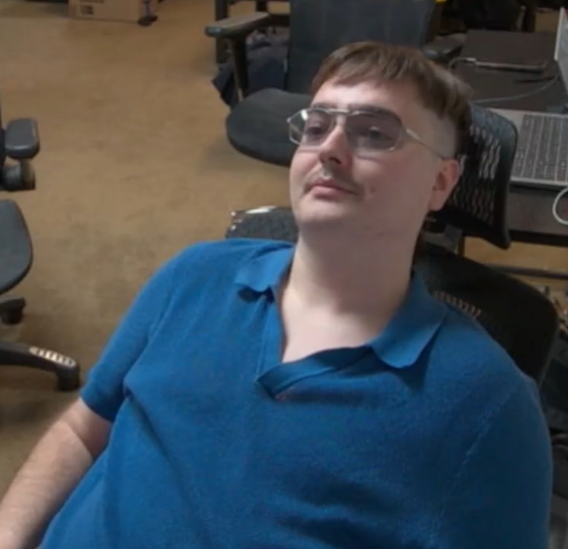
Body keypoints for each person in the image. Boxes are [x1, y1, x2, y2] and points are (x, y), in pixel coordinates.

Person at [0, 41, 552, 549]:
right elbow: (83, 429)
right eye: (317, 126)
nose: (330, 148)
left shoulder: (486, 405)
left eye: (374, 132)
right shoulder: (194, 276)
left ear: (441, 182)